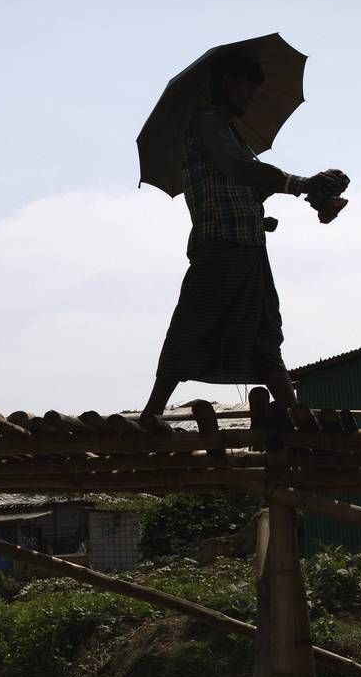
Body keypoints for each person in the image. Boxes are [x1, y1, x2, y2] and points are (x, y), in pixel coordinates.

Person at [142, 52, 348, 416]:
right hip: (221, 244)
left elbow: (254, 185)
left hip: (250, 247)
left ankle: (299, 418)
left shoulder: (232, 133)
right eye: (247, 87)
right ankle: (151, 415)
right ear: (226, 85)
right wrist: (299, 182)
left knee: (265, 334)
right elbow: (237, 169)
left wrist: (317, 195)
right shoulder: (207, 123)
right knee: (192, 322)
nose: (251, 96)